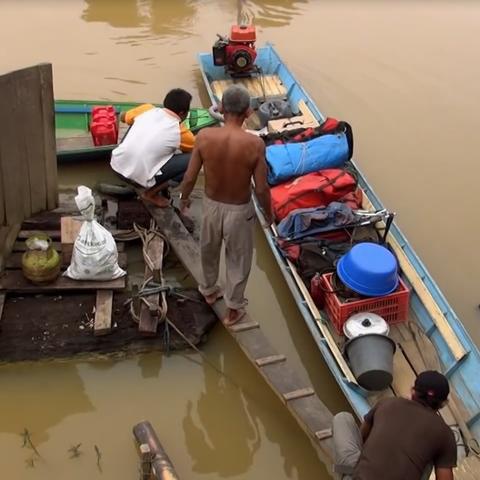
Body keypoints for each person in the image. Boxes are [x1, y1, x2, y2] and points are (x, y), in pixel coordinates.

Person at [179, 84, 273, 326]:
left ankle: (209, 290)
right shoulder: (254, 145)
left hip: (211, 205)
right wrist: (269, 214)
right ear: (249, 112)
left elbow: (189, 177)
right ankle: (233, 308)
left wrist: (184, 199)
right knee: (238, 260)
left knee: (208, 250)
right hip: (239, 211)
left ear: (220, 108)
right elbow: (261, 188)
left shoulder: (204, 137)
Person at [333, 370, 457, 480]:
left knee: (343, 418)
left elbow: (363, 437)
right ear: (443, 403)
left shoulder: (388, 403)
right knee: (433, 456)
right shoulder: (446, 434)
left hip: (359, 476)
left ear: (413, 391)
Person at [110, 88, 195, 207]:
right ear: (182, 113)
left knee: (134, 122)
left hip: (116, 166)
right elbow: (194, 149)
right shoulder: (181, 132)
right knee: (193, 159)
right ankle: (150, 194)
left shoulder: (147, 109)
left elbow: (123, 117)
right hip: (139, 180)